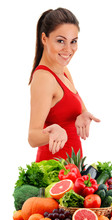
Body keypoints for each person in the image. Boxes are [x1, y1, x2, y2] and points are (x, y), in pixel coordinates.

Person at [28, 8, 100, 162]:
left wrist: (83, 115)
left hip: (73, 170)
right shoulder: (44, 78)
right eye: (60, 41)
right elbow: (33, 137)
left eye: (73, 41)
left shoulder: (64, 71)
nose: (68, 49)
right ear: (45, 39)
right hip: (53, 173)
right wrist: (54, 132)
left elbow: (79, 108)